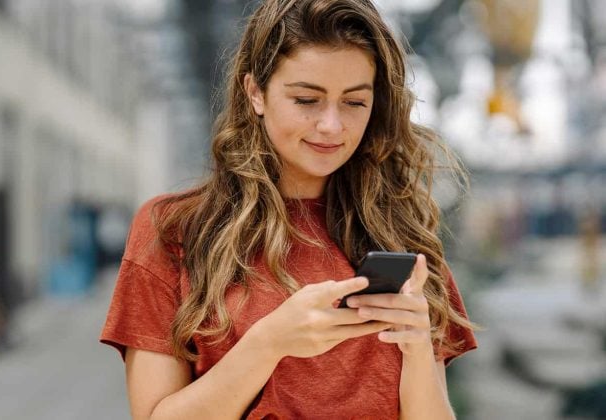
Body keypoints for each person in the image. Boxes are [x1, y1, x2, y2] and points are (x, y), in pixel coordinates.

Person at [99, 0, 478, 418]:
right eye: (306, 100)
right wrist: (270, 342)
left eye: (354, 103)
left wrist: (418, 346)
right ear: (255, 93)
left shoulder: (402, 236)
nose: (332, 125)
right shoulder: (172, 230)